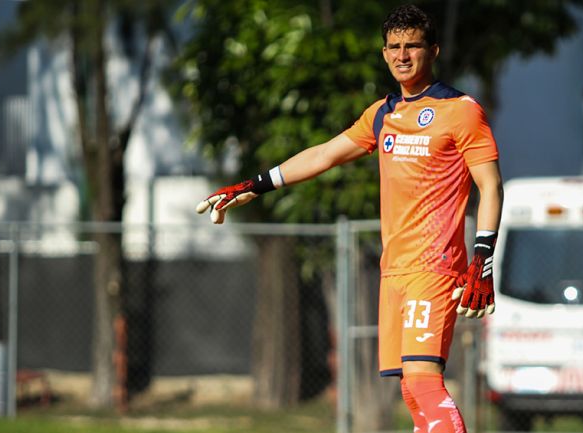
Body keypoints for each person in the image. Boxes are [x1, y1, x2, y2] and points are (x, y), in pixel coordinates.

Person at [196, 5, 503, 432]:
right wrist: (255, 184)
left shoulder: (461, 110)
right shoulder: (382, 113)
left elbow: (490, 186)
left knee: (424, 381)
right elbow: (324, 153)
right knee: (412, 390)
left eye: (412, 45)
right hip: (394, 270)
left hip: (434, 268)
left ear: (433, 50)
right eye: (394, 47)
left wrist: (482, 260)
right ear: (384, 53)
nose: (402, 55)